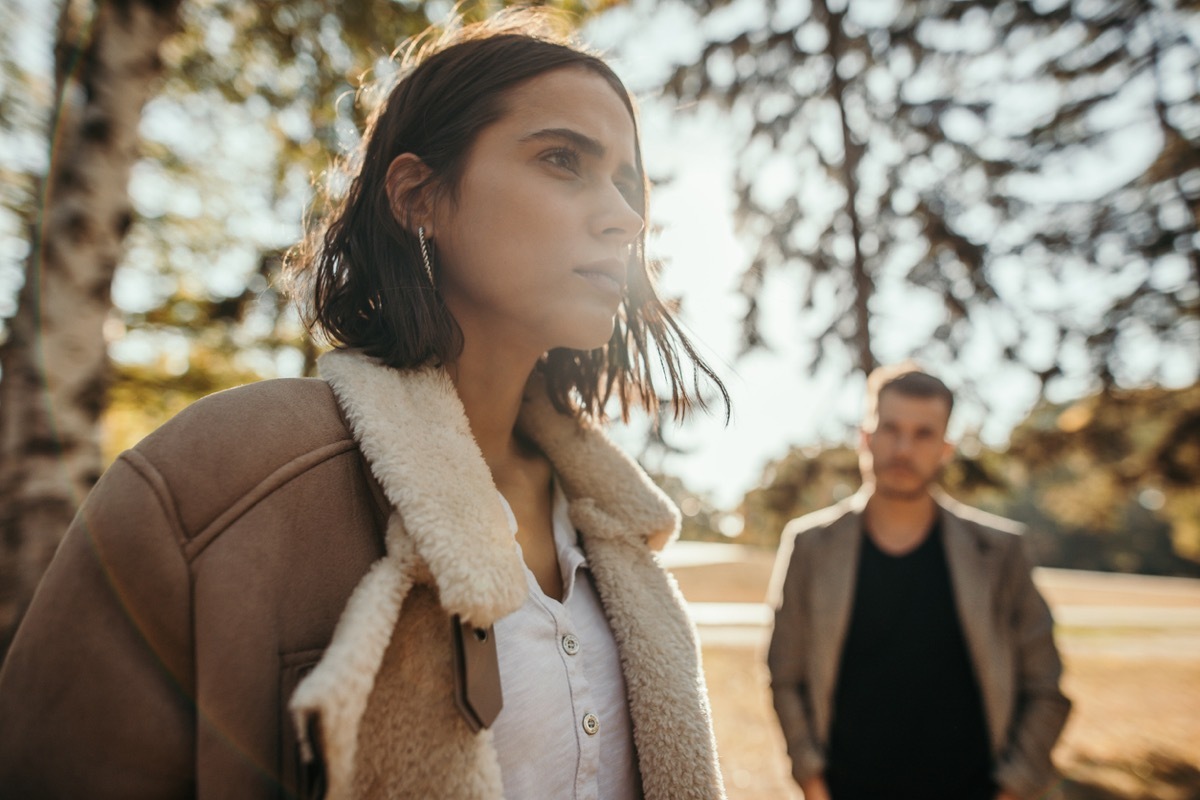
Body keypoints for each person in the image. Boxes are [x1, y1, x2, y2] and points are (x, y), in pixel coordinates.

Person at [0, 12, 729, 800]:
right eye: (562, 159)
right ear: (418, 196)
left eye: (627, 181)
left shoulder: (615, 527)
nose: (627, 216)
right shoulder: (224, 475)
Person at [766, 364, 1070, 800]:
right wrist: (812, 782)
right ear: (865, 439)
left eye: (923, 434)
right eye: (889, 429)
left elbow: (1045, 688)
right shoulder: (810, 546)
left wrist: (1015, 788)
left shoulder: (1001, 552)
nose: (903, 448)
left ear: (945, 448)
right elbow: (785, 676)